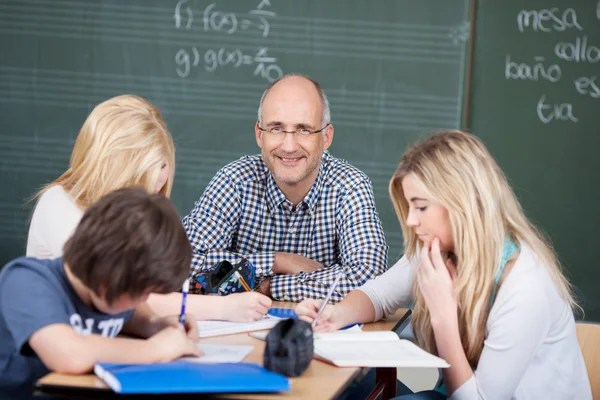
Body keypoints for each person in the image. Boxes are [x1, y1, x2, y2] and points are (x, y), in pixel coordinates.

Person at [296, 130, 591, 399]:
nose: (411, 221)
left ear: (461, 204)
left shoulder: (525, 286)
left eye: (421, 207)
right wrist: (335, 315)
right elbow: (379, 295)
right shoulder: (443, 248)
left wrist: (442, 316)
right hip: (453, 393)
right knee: (353, 385)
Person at [26, 94, 271, 322]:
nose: (159, 182)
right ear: (113, 167)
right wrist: (223, 308)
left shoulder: (126, 217)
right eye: (143, 176)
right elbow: (123, 297)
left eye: (163, 165)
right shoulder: (58, 204)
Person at [183, 73, 388, 302]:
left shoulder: (349, 186)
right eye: (277, 129)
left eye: (304, 129)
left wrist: (271, 285)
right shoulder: (234, 181)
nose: (289, 146)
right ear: (260, 135)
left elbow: (370, 277)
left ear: (326, 138)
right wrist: (277, 261)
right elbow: (177, 265)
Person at [0, 188, 204, 398]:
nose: (143, 300)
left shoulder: (107, 294)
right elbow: (69, 355)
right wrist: (157, 349)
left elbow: (132, 313)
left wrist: (155, 324)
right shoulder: (27, 281)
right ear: (106, 275)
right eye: (139, 292)